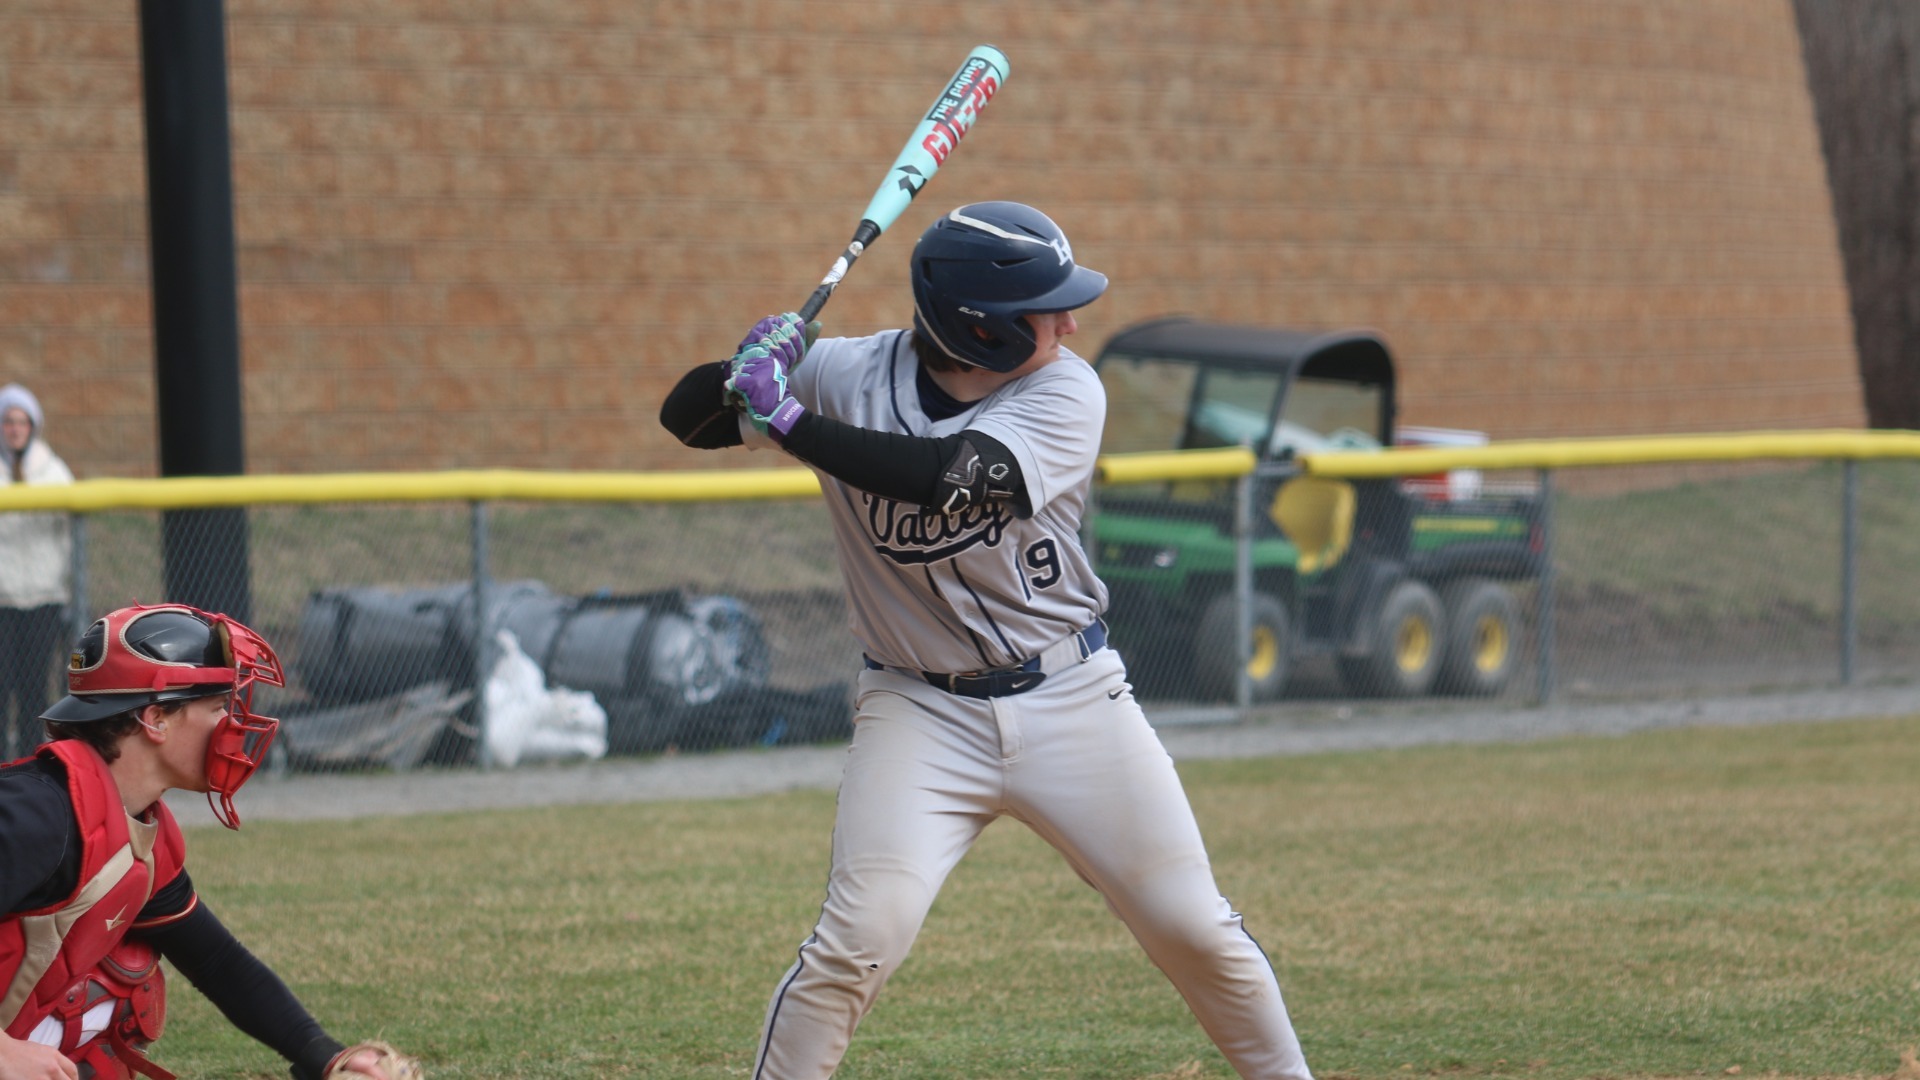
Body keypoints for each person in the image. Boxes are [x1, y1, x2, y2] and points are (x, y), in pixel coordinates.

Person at [659, 202, 1317, 1080]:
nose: (1070, 324)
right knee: (857, 942)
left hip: (1072, 698)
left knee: (1193, 927)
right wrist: (741, 371)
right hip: (917, 710)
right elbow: (684, 419)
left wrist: (789, 422)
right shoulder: (846, 373)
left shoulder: (1068, 389)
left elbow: (952, 479)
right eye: (1047, 308)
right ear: (982, 326)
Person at [0, 603, 421, 1080]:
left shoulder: (133, 830)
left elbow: (216, 961)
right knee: (112, 981)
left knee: (123, 980)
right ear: (156, 719)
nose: (232, 724)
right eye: (218, 707)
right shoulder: (40, 812)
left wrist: (324, 1055)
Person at [0, 384, 74, 762]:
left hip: (43, 596)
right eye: (8, 421)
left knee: (34, 689)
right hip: (3, 598)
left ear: (33, 426)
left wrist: (57, 576)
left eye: (21, 421)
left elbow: (67, 533)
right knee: (2, 686)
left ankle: (31, 764)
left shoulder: (53, 471)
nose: (15, 429)